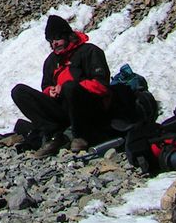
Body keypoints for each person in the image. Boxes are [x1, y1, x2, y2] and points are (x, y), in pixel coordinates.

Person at [10, 14, 113, 157]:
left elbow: (102, 86)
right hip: (63, 110)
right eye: (51, 41)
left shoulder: (90, 52)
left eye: (57, 38)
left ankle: (79, 135)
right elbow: (45, 85)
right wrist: (49, 92)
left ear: (68, 36)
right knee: (19, 91)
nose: (54, 44)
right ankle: (54, 133)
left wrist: (67, 87)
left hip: (88, 109)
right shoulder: (51, 61)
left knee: (69, 87)